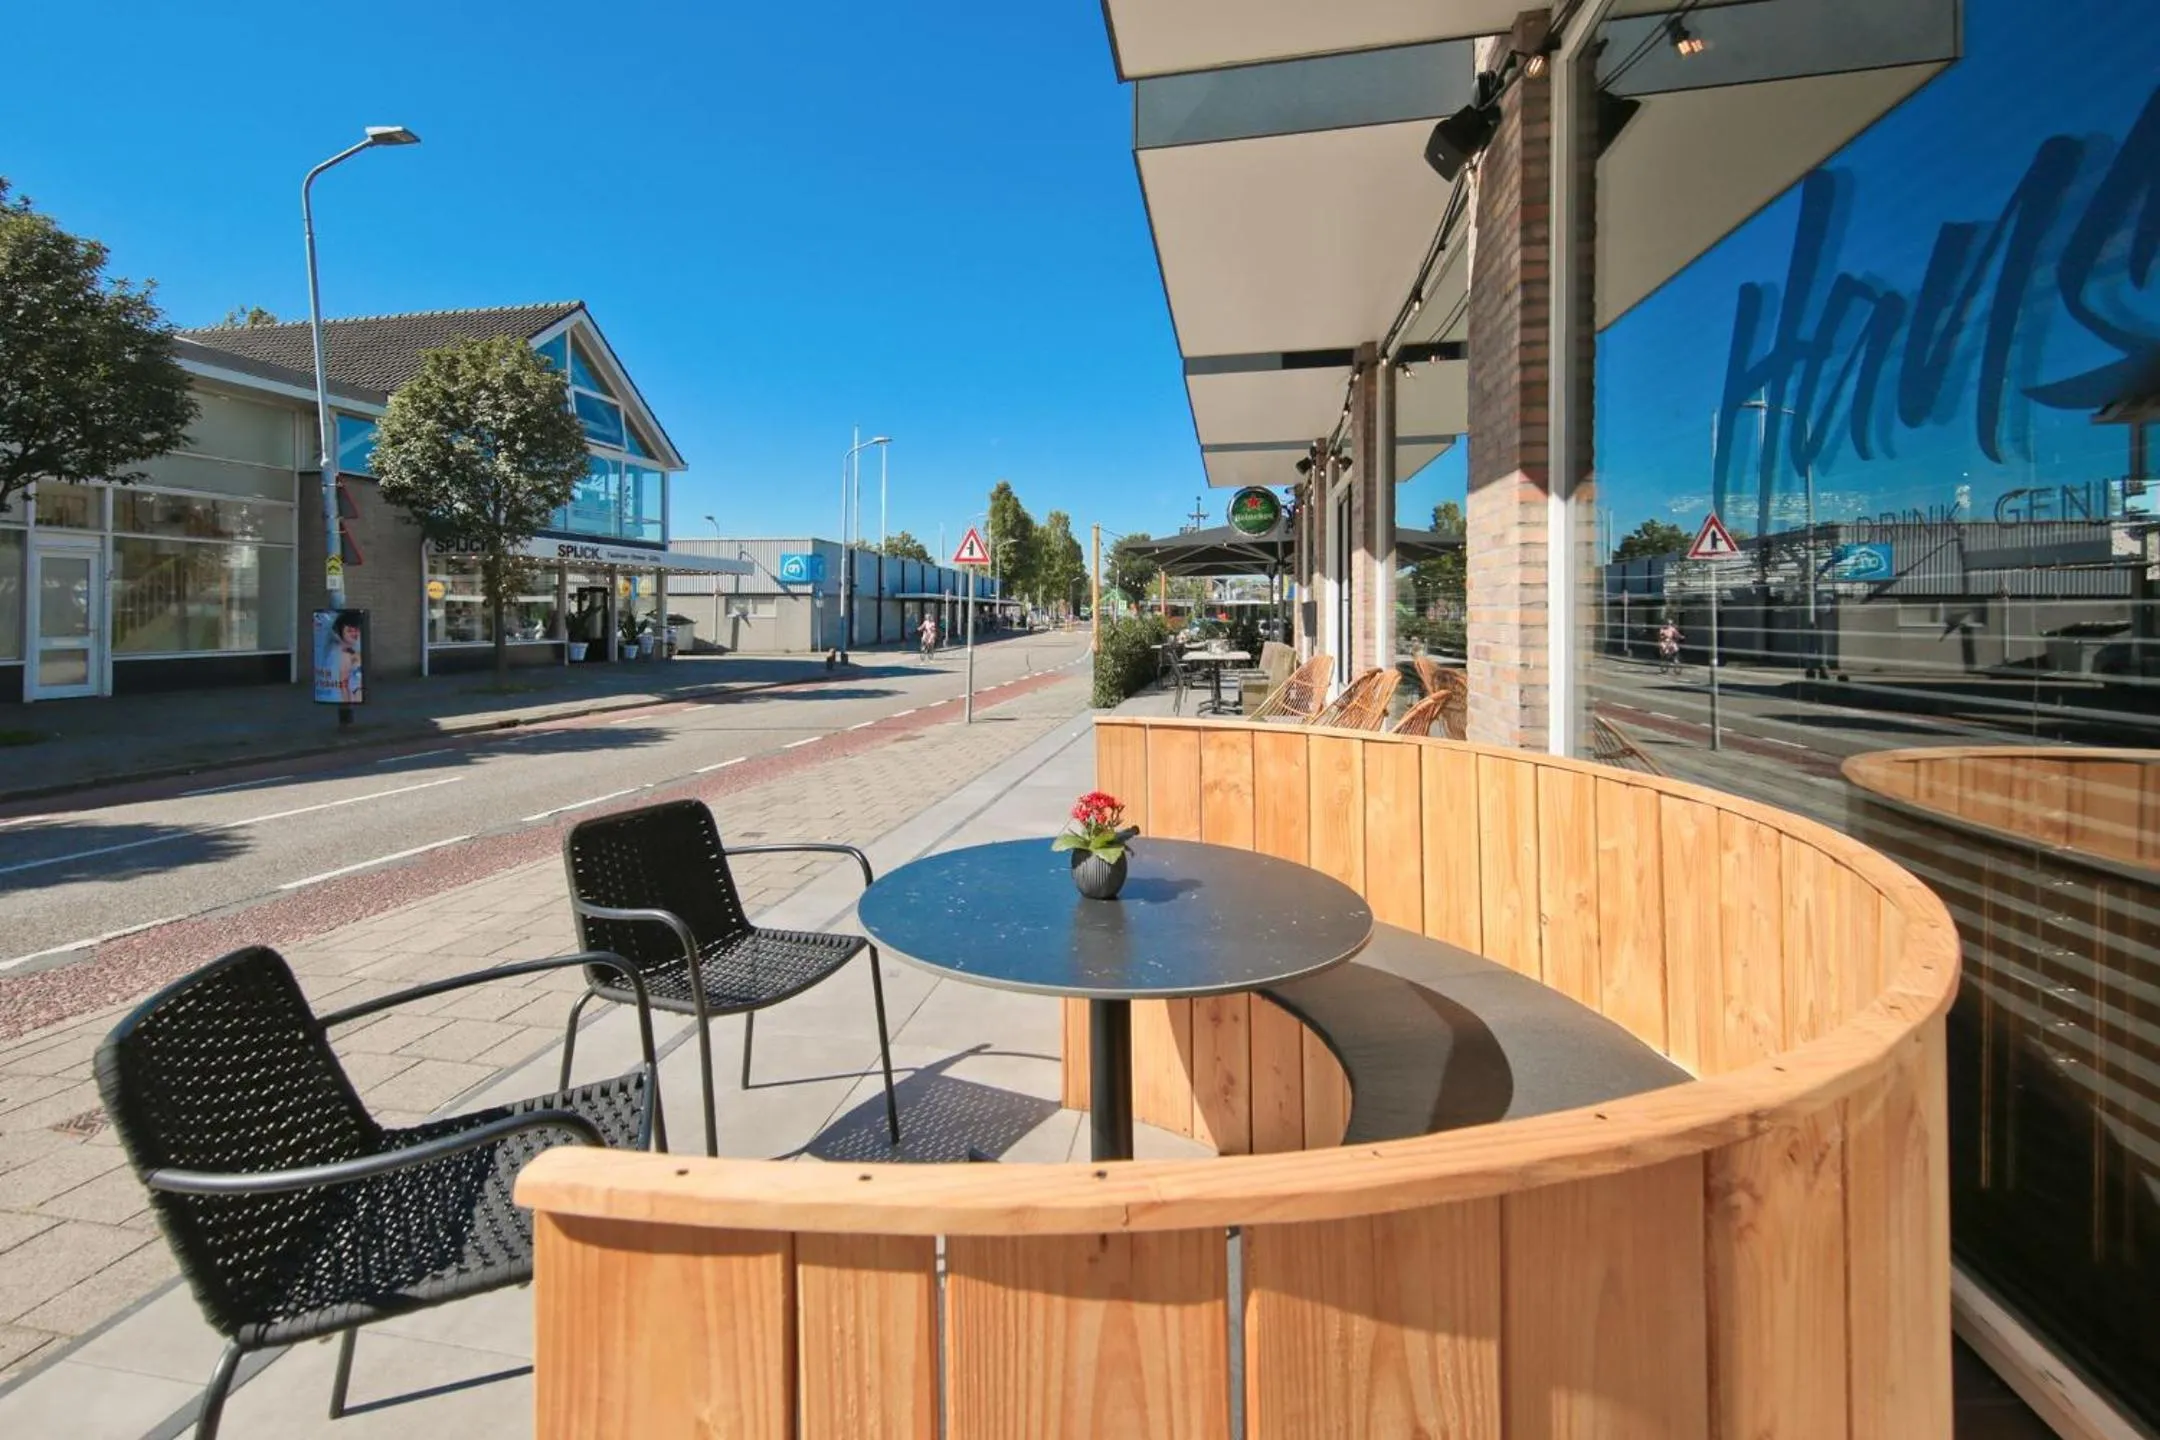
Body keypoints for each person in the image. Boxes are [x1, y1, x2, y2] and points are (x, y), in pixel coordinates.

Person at [316, 610, 364, 703]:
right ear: (340, 632)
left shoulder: (351, 651)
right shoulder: (343, 655)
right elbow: (344, 685)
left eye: (356, 630)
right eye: (349, 631)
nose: (354, 634)